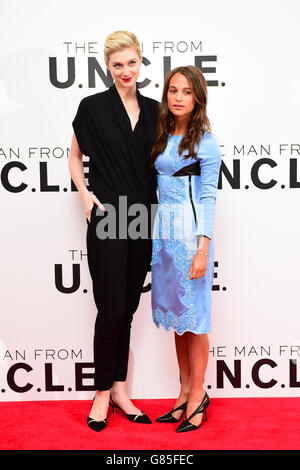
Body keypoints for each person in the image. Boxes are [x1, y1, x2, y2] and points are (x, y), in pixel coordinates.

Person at [69, 31, 159, 432]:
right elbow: (74, 156)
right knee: (109, 309)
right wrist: (85, 194)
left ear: (142, 62)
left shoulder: (158, 110)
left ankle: (121, 390)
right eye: (117, 64)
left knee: (127, 309)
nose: (125, 71)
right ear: (108, 66)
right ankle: (101, 393)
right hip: (108, 213)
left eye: (132, 63)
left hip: (142, 211)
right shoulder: (92, 107)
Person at [150, 66, 222, 433]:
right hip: (164, 235)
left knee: (195, 320)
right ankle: (182, 393)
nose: (178, 97)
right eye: (173, 90)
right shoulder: (161, 135)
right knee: (180, 321)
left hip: (191, 237)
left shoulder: (205, 142)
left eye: (186, 91)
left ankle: (197, 396)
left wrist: (201, 249)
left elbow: (208, 198)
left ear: (197, 97)